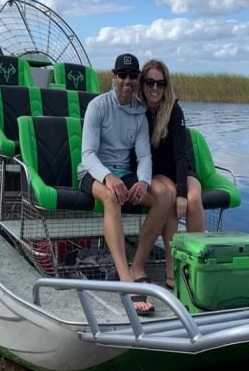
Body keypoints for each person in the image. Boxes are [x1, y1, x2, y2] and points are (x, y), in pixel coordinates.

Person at [77, 53, 171, 315]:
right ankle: (126, 280)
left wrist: (142, 181)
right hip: (92, 173)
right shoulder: (98, 106)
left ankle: (137, 265)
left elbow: (143, 156)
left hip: (125, 173)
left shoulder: (139, 113)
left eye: (132, 76)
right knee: (111, 197)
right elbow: (88, 154)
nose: (127, 81)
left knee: (163, 198)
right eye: (122, 75)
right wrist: (107, 177)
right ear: (113, 77)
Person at [137, 59, 204, 290]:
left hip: (180, 168)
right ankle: (171, 263)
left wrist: (184, 192)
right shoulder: (135, 110)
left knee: (193, 201)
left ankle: (198, 263)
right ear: (142, 83)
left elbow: (181, 155)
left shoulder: (173, 110)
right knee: (171, 196)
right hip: (155, 172)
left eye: (161, 83)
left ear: (167, 86)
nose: (155, 88)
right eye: (150, 82)